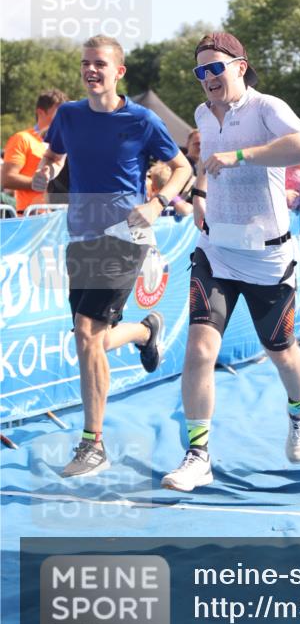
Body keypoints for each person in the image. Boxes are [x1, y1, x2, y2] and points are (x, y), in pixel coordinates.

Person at [161, 31, 300, 493]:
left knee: (281, 353)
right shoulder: (201, 114)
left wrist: (243, 155)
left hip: (269, 256)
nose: (207, 78)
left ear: (240, 67)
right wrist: (202, 196)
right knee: (200, 349)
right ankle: (198, 455)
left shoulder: (267, 107)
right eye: (200, 71)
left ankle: (299, 412)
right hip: (216, 251)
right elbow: (211, 161)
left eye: (216, 68)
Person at [32, 36, 191, 478]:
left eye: (100, 63)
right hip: (80, 234)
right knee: (92, 341)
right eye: (85, 63)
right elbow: (54, 154)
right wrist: (46, 169)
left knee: (86, 332)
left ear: (118, 72)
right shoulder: (68, 115)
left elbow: (183, 168)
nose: (91, 70)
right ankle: (144, 330)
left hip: (126, 235)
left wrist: (158, 204)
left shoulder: (142, 120)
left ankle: (93, 444)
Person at [1, 89, 68, 214]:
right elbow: (6, 179)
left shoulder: (65, 140)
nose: (62, 118)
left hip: (59, 218)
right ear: (40, 112)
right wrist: (43, 183)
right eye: (58, 113)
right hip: (32, 218)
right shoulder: (22, 139)